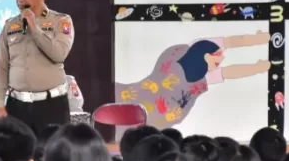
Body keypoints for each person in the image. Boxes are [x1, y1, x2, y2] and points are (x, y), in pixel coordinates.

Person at [115, 31, 270, 129]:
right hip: (135, 105)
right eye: (217, 62)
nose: (218, 66)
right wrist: (258, 41)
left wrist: (257, 64)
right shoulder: (191, 67)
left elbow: (230, 69)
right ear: (207, 56)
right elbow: (229, 45)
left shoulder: (182, 56)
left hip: (142, 118)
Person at [0, 0, 74, 134]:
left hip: (52, 105)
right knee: (17, 155)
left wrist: (34, 27)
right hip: (17, 106)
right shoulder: (10, 26)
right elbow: (1, 67)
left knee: (52, 157)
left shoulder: (61, 21)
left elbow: (58, 54)